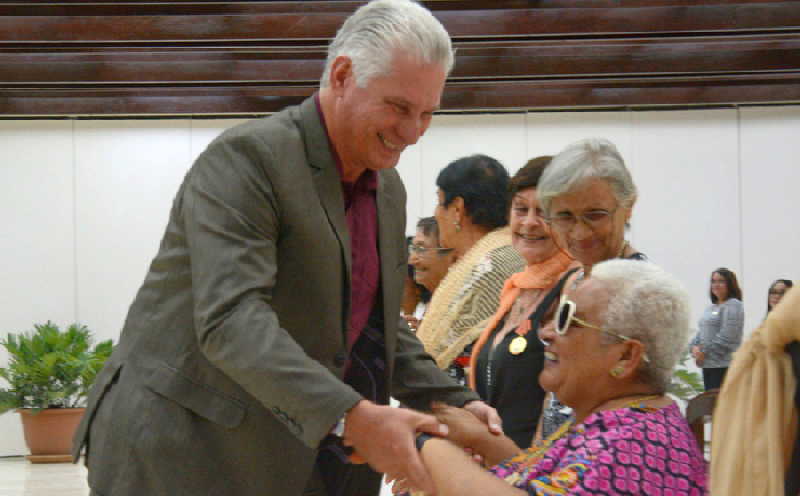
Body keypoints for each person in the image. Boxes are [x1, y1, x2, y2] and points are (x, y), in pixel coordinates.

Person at [71, 2, 499, 495]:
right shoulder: (248, 159)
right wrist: (352, 417)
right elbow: (230, 319)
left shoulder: (388, 188)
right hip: (184, 449)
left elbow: (374, 328)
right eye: (399, 107)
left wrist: (452, 399)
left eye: (427, 113)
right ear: (342, 76)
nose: (413, 133)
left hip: (297, 451)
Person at [394, 260, 708, 496]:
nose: (546, 333)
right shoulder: (625, 421)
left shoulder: (636, 445)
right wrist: (482, 439)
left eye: (567, 320)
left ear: (625, 357)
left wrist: (421, 442)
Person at [535, 137, 647, 437]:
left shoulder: (638, 291)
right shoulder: (574, 280)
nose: (580, 232)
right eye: (565, 217)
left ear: (629, 206)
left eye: (595, 215)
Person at [467, 156, 576, 448]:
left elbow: (566, 406)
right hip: (497, 467)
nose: (529, 222)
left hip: (537, 473)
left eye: (543, 212)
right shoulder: (515, 289)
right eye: (520, 209)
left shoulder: (575, 289)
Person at [415, 154, 525, 386]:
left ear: (457, 209)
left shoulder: (489, 265)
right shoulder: (507, 250)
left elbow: (442, 356)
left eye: (439, 201)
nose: (436, 212)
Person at [709, 283, 798, 496]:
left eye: (781, 293)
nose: (716, 285)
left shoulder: (737, 308)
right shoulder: (770, 339)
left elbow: (727, 337)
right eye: (773, 292)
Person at [690, 267, 744, 391]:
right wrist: (694, 347)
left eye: (721, 281)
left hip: (724, 366)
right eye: (713, 281)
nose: (716, 285)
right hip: (708, 365)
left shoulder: (734, 305)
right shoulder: (711, 307)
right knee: (710, 406)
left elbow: (728, 336)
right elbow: (702, 332)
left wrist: (703, 351)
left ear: (730, 284)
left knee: (721, 407)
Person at [406, 217, 455, 331]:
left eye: (421, 248)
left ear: (451, 254)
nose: (411, 260)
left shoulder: (459, 307)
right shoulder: (434, 303)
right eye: (413, 248)